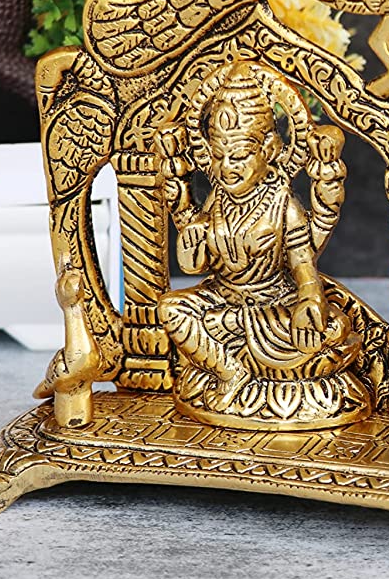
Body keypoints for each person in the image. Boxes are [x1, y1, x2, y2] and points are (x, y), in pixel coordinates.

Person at [156, 60, 368, 430]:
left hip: (273, 306)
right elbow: (193, 265)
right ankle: (230, 371)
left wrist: (310, 300)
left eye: (239, 155)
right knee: (171, 309)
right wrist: (194, 234)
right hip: (222, 300)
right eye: (218, 155)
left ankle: (227, 361)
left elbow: (303, 267)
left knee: (334, 331)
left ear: (269, 149)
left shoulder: (282, 204)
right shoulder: (217, 200)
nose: (227, 167)